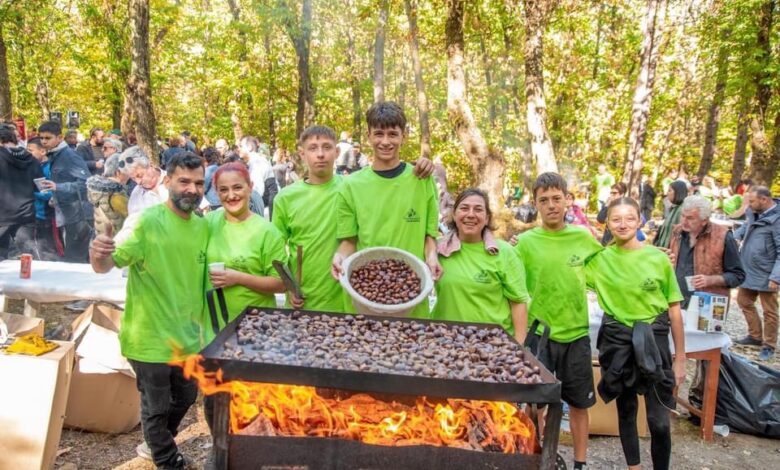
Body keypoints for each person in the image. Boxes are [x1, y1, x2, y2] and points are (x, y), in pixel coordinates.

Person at [89, 152, 208, 469]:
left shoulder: (203, 227)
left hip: (188, 337)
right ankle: (169, 461)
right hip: (149, 337)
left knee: (184, 397)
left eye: (198, 183)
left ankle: (157, 443)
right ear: (167, 181)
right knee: (155, 407)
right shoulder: (145, 221)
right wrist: (98, 254)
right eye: (184, 181)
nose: (192, 189)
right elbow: (106, 264)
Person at [275, 124, 434, 312]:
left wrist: (424, 165)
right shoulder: (285, 198)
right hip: (305, 300)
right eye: (313, 148)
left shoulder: (354, 187)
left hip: (351, 297)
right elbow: (277, 253)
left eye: (326, 148)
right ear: (301, 153)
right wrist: (289, 288)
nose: (320, 154)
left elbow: (388, 188)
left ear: (336, 152)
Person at [586, 197, 685, 470]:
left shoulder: (658, 258)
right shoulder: (599, 260)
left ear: (640, 220)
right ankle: (634, 467)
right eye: (616, 219)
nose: (623, 224)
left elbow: (674, 309)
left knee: (659, 422)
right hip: (618, 342)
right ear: (607, 223)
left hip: (654, 342)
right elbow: (561, 267)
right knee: (626, 410)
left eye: (630, 218)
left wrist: (681, 359)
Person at [513, 172, 603, 470]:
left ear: (568, 200)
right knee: (535, 403)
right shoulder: (524, 242)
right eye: (544, 200)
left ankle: (579, 463)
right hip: (539, 336)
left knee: (578, 403)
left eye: (556, 199)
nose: (551, 205)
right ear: (535, 204)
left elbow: (611, 268)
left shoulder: (583, 237)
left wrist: (654, 256)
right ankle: (534, 455)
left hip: (576, 334)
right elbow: (507, 276)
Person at [332, 102, 440, 316]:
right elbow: (349, 241)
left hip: (411, 291)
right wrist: (339, 257)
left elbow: (430, 235)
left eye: (393, 134)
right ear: (369, 136)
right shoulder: (351, 185)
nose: (385, 141)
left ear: (403, 137)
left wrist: (432, 257)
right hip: (365, 295)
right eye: (378, 134)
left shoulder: (421, 180)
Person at [431, 189, 529, 340]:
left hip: (493, 343)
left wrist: (520, 346)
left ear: (487, 217)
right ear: (454, 215)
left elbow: (518, 302)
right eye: (464, 208)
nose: (471, 214)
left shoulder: (505, 252)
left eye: (478, 209)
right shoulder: (438, 250)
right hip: (445, 341)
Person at [205, 161, 286, 339]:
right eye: (223, 190)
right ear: (216, 193)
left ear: (250, 187)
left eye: (237, 187)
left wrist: (237, 277)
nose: (231, 195)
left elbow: (281, 284)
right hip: (215, 328)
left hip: (257, 325)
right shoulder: (208, 222)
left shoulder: (267, 232)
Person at [669, 196, 745, 309]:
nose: (684, 221)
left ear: (704, 220)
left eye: (690, 218)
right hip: (676, 302)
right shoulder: (677, 232)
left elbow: (738, 276)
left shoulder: (723, 236)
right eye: (683, 216)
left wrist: (711, 280)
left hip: (707, 306)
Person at [734, 186, 780, 361]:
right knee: (744, 301)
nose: (748, 204)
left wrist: (776, 276)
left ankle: (769, 344)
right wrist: (735, 236)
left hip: (768, 271)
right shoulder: (755, 212)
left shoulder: (777, 219)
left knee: (769, 310)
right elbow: (748, 227)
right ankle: (754, 336)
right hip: (749, 268)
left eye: (751, 201)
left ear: (764, 200)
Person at [37, 120, 94, 263]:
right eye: (41, 138)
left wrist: (58, 187)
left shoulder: (69, 155)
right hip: (66, 214)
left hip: (79, 216)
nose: (43, 141)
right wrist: (55, 197)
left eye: (48, 138)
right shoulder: (54, 155)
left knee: (75, 260)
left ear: (60, 137)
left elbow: (86, 183)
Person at [0, 126, 42, 260]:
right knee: (28, 256)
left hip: (2, 215)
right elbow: (39, 186)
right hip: (26, 213)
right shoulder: (31, 158)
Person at [27, 137, 61, 260]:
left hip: (47, 215)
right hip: (34, 214)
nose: (28, 153)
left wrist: (30, 192)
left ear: (42, 151)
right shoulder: (31, 166)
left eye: (31, 150)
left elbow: (49, 194)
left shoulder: (49, 169)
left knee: (49, 247)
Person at [86, 154, 130, 237]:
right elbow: (132, 217)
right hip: (117, 240)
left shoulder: (96, 189)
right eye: (127, 171)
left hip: (101, 237)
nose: (129, 175)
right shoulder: (116, 194)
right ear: (118, 172)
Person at [238, 136, 273, 217]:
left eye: (241, 146)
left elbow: (257, 192)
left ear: (249, 147)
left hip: (265, 210)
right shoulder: (257, 161)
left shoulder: (256, 163)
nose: (239, 149)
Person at [653, 180, 688, 249]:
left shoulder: (682, 210)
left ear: (678, 192)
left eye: (670, 190)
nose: (667, 193)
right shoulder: (674, 208)